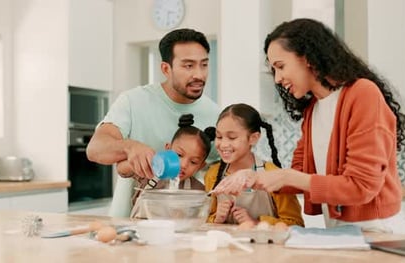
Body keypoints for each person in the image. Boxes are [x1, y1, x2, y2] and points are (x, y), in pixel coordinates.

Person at [213, 19, 405, 233]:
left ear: (307, 58)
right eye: (273, 70)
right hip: (341, 229)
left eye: (280, 66)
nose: (277, 79)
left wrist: (284, 176)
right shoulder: (313, 108)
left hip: (378, 230)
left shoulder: (362, 94)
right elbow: (301, 174)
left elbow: (361, 186)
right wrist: (253, 177)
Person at [86, 28, 220, 217]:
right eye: (188, 66)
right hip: (128, 222)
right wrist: (130, 147)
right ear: (166, 68)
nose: (199, 74)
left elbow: (224, 170)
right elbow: (95, 149)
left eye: (204, 65)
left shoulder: (215, 114)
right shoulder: (133, 101)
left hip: (186, 224)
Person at [205, 103, 304, 226]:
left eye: (232, 137)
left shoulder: (273, 175)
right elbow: (204, 220)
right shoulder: (213, 175)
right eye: (219, 137)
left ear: (253, 138)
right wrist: (217, 218)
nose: (223, 144)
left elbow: (296, 224)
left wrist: (256, 222)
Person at [123, 114, 215, 218]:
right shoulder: (150, 173)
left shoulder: (198, 189)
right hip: (142, 231)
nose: (183, 164)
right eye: (179, 155)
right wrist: (153, 163)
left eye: (193, 162)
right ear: (168, 149)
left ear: (201, 166)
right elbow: (122, 170)